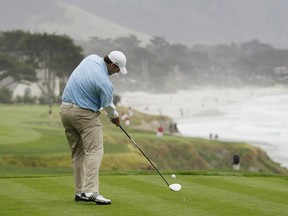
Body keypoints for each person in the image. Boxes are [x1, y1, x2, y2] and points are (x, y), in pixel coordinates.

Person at [59, 50, 128, 205]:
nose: (117, 73)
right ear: (112, 64)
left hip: (65, 111)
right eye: (117, 69)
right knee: (95, 151)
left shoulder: (90, 59)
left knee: (78, 153)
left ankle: (80, 192)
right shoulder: (105, 82)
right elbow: (108, 106)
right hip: (84, 115)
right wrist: (116, 118)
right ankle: (90, 191)